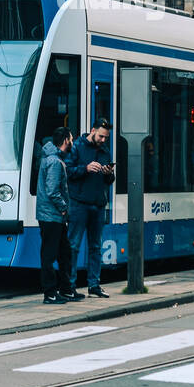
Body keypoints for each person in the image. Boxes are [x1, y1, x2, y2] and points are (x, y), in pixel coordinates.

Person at [66, 118, 116, 298]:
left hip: (98, 204)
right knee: (73, 245)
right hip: (79, 203)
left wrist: (109, 174)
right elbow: (68, 171)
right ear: (93, 130)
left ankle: (94, 285)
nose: (103, 140)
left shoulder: (105, 151)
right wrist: (85, 168)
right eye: (101, 136)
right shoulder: (77, 147)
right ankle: (69, 286)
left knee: (95, 247)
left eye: (106, 137)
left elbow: (109, 181)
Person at [36, 127, 81, 304]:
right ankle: (50, 294)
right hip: (51, 216)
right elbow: (52, 190)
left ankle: (66, 290)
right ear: (65, 141)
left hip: (54, 217)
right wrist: (63, 208)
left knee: (64, 253)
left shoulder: (52, 158)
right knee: (50, 255)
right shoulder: (54, 162)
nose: (72, 142)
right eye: (71, 139)